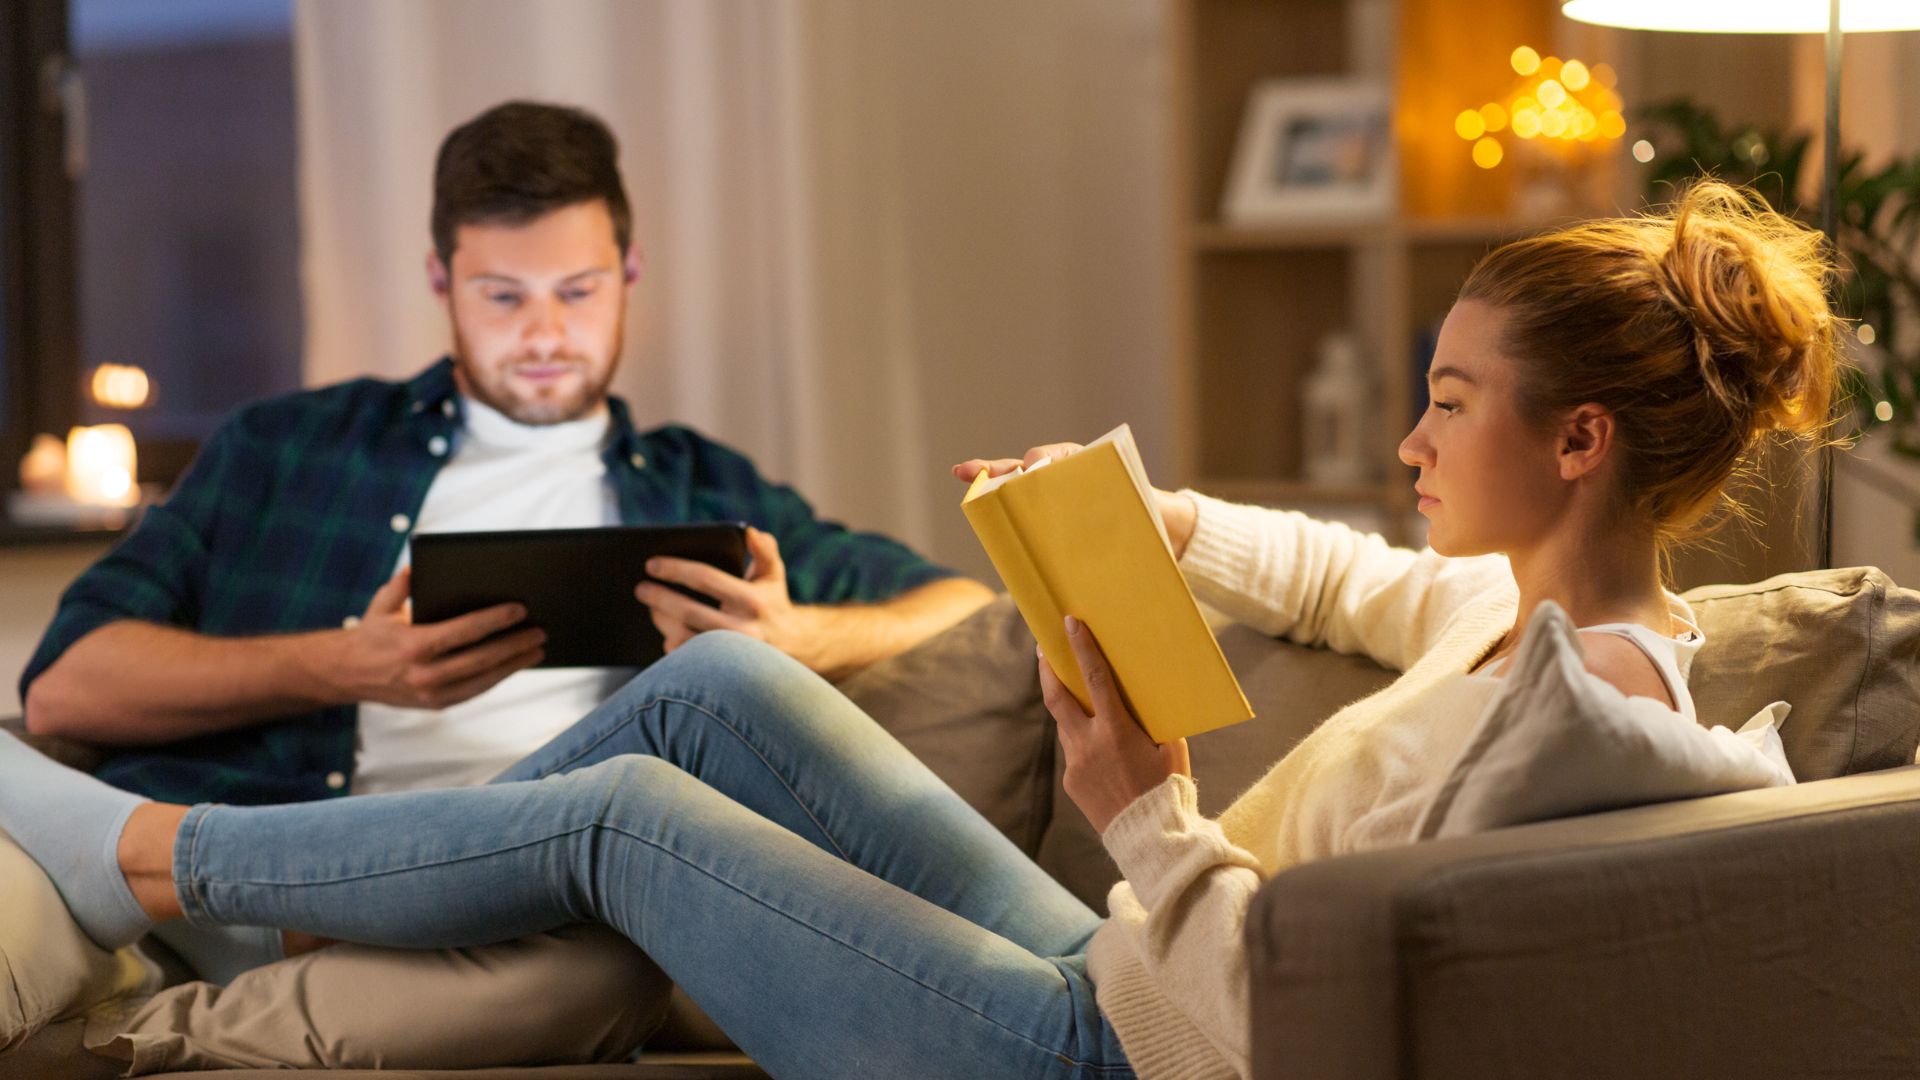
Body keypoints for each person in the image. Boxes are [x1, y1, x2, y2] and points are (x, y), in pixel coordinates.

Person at [0, 180, 1840, 1078]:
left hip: (1111, 1051)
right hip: (1121, 961)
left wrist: (1141, 806)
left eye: (1451, 403)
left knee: (635, 827)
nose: (1413, 442)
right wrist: (1120, 509)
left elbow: (1297, 1021)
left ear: (1578, 440)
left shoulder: (1578, 732)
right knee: (715, 679)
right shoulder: (1515, 619)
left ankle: (151, 861)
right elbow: (1319, 571)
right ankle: (242, 885)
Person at [14, 101, 990, 996]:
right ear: (440, 279)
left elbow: (963, 609)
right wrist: (342, 665)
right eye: (503, 296)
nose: (546, 333)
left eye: (578, 291)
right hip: (298, 853)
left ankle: (153, 859)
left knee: (686, 725)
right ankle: (191, 863)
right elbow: (62, 691)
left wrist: (794, 642)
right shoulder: (288, 446)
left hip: (544, 859)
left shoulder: (701, 486)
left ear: (629, 273)